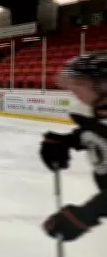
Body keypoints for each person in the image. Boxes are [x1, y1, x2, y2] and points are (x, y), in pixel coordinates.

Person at [40, 52, 107, 241]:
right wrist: (65, 141)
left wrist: (88, 213)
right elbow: (96, 134)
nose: (73, 90)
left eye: (79, 83)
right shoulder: (97, 112)